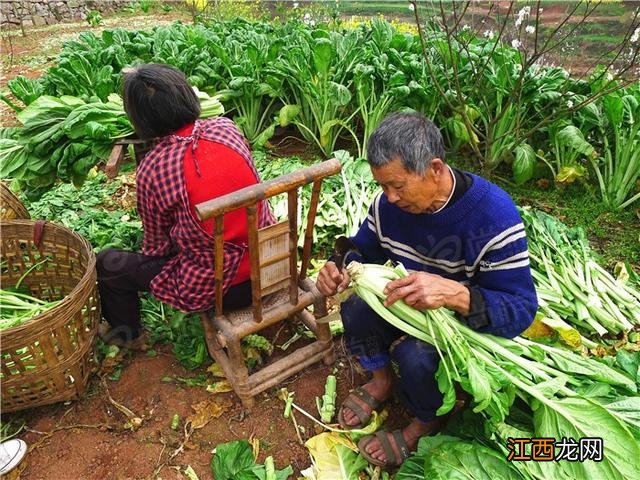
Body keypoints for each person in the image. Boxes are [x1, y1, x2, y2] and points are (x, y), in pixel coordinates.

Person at [316, 112, 537, 467]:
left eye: (398, 186)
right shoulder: (388, 208)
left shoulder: (493, 216)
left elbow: (520, 310)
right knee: (355, 307)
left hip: (461, 327)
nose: (388, 198)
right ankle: (381, 381)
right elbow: (362, 249)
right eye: (382, 186)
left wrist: (454, 294)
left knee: (416, 356)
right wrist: (338, 267)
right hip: (409, 306)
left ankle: (425, 422)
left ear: (434, 169)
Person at [97, 63, 274, 349]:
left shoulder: (153, 168)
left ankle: (130, 337)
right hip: (273, 262)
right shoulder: (226, 127)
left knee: (107, 263)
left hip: (225, 288)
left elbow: (157, 248)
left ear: (140, 119)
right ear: (187, 96)